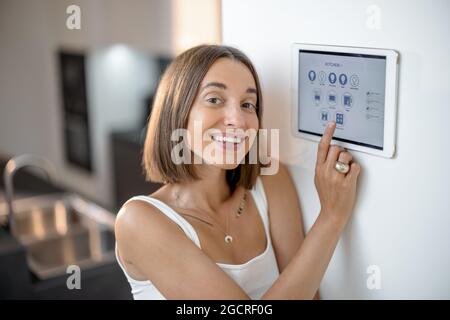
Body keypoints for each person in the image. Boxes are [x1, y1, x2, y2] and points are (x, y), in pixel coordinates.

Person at [115, 44, 361, 300]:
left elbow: (309, 295)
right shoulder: (138, 221)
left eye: (247, 104)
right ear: (177, 111)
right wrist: (331, 216)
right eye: (214, 100)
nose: (238, 120)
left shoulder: (269, 179)